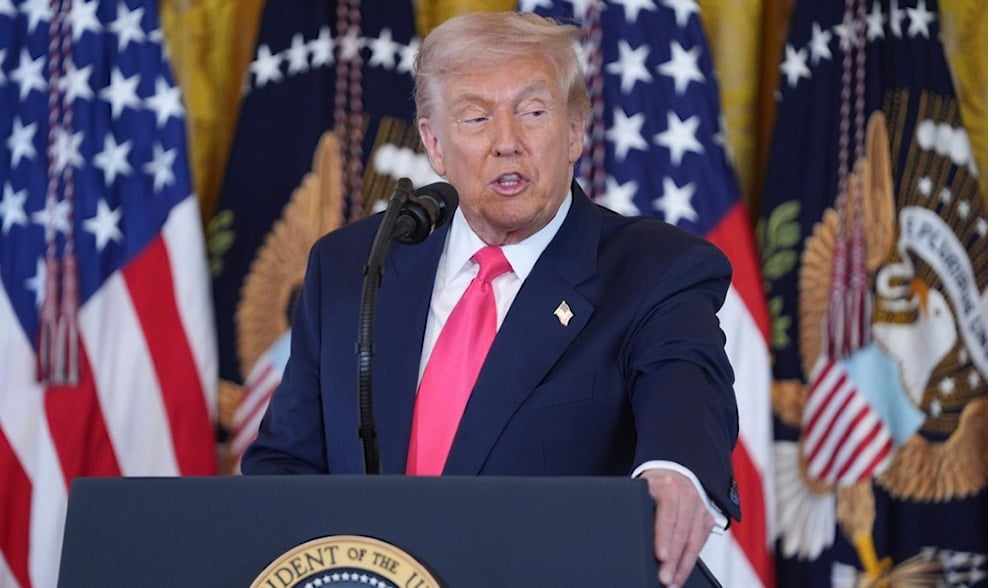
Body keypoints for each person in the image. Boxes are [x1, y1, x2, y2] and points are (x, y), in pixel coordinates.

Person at [242, 11, 741, 587]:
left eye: (532, 112)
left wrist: (674, 472)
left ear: (575, 129)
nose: (507, 142)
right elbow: (284, 468)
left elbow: (687, 385)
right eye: (476, 118)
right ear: (434, 143)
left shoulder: (655, 268)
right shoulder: (352, 266)